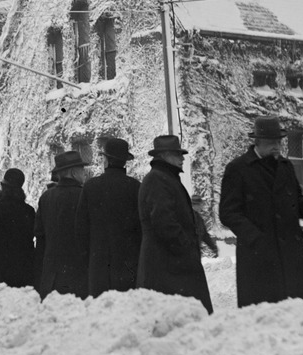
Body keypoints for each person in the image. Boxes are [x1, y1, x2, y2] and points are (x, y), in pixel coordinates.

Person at [218, 116, 303, 308]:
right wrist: (255, 237)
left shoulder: (285, 166)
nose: (277, 147)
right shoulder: (238, 169)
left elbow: (295, 200)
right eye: (271, 142)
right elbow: (228, 212)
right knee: (263, 315)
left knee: (295, 311)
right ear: (257, 142)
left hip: (290, 252)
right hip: (259, 255)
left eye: (279, 142)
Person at [137, 135, 213, 314]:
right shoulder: (158, 180)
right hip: (168, 268)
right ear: (164, 156)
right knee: (177, 321)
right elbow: (165, 223)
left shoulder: (165, 179)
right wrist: (186, 249)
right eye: (177, 155)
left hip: (171, 266)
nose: (182, 159)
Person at [75, 138, 142, 297]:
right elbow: (142, 228)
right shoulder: (135, 187)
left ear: (106, 160)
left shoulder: (91, 187)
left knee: (102, 311)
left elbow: (81, 229)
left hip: (99, 263)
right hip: (128, 264)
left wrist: (89, 258)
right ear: (125, 162)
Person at [35, 150, 90, 300]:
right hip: (78, 274)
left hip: (51, 275)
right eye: (81, 169)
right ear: (73, 172)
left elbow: (40, 235)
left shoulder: (46, 197)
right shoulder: (84, 195)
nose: (84, 173)